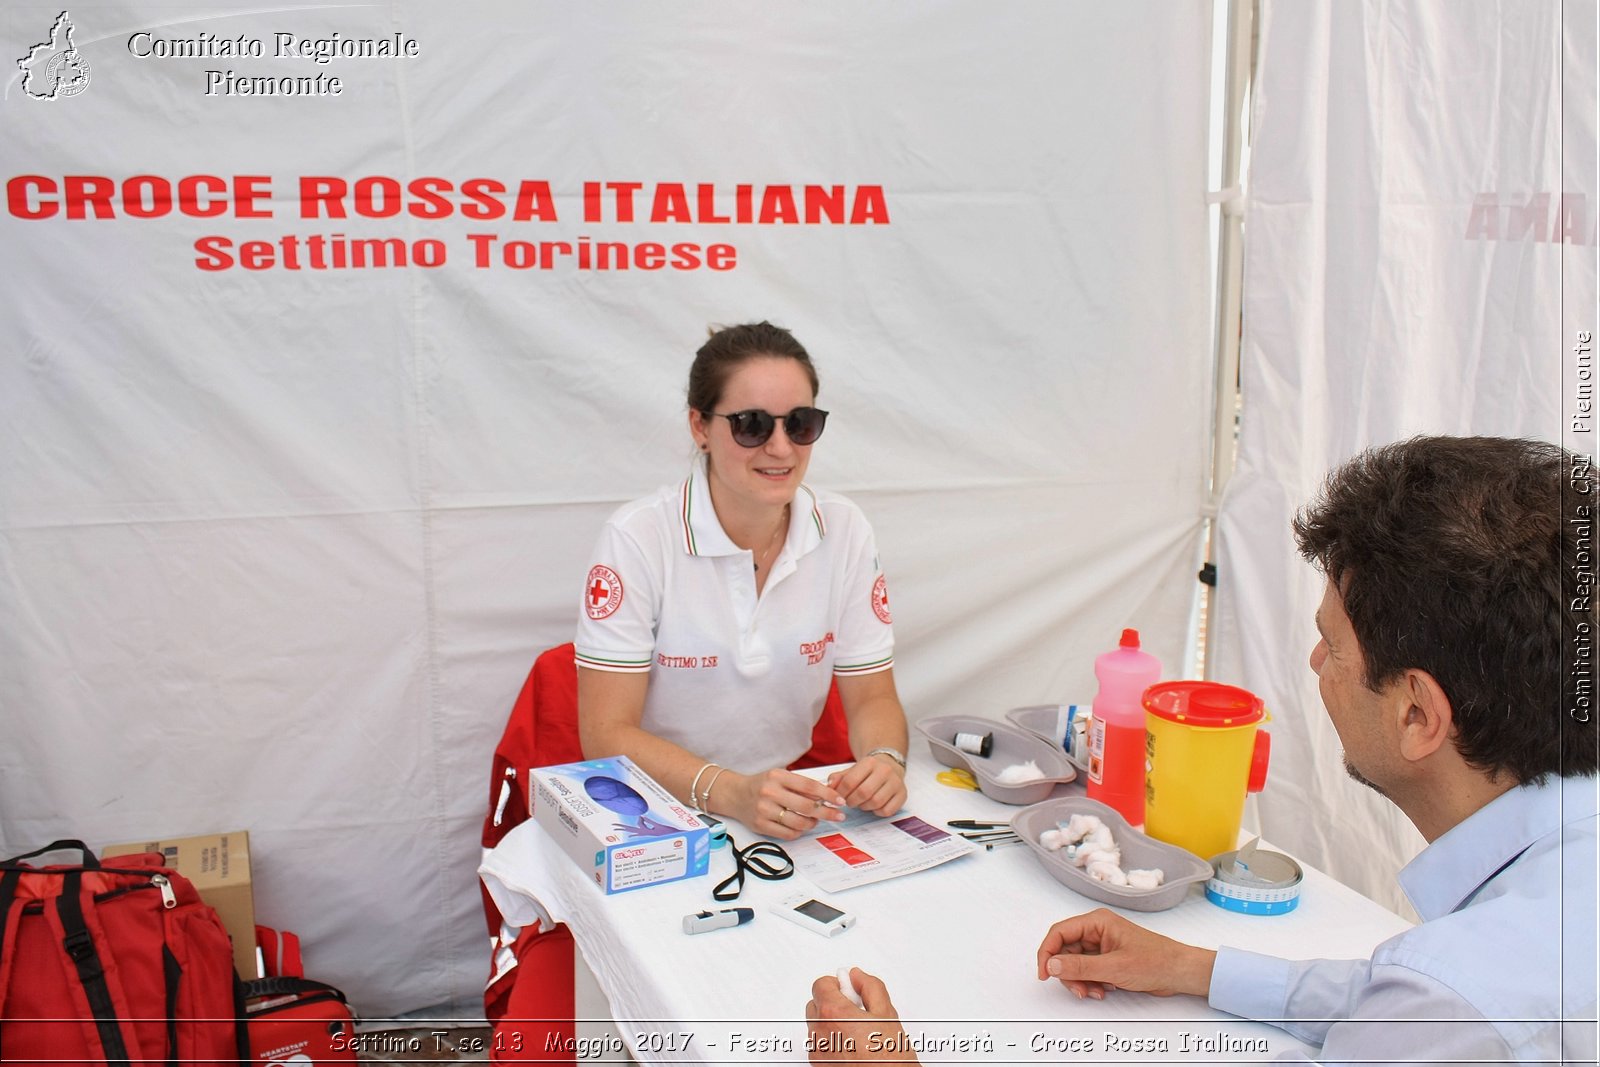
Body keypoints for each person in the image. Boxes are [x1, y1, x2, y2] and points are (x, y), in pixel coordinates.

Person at [806, 435, 1598, 1064]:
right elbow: (1390, 993)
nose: (1316, 665)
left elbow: (1422, 1003)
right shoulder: (1524, 914)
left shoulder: (1456, 997)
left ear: (1419, 713)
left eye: (1331, 645)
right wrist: (1195, 968)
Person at [575, 322, 909, 840]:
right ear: (699, 427)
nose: (780, 448)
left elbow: (870, 696)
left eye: (800, 423)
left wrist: (886, 760)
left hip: (789, 805)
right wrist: (732, 792)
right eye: (752, 425)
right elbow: (604, 734)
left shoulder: (845, 528)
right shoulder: (638, 537)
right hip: (656, 804)